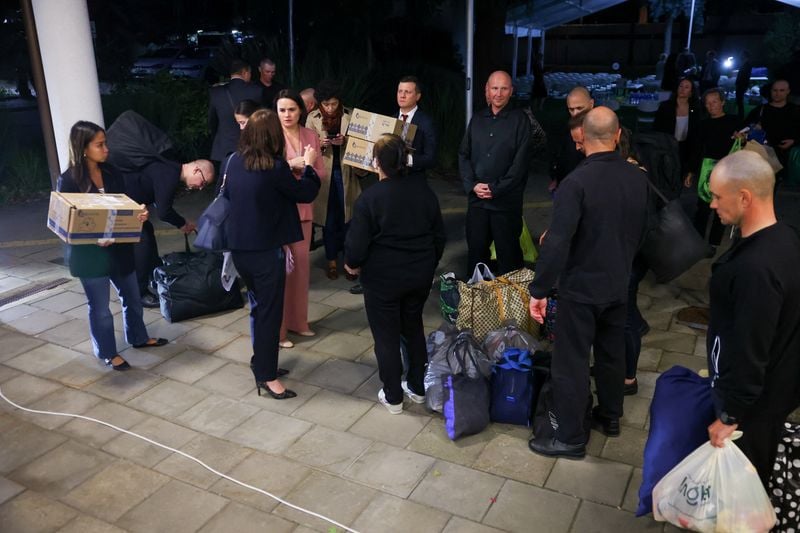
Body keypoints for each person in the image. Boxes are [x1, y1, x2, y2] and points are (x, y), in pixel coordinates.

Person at [527, 107, 649, 459]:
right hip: (618, 283)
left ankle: (569, 437)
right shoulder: (637, 177)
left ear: (583, 138)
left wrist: (539, 290)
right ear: (617, 135)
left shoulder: (576, 183)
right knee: (611, 354)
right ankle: (610, 416)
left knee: (572, 361)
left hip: (581, 288)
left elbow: (557, 243)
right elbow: (644, 231)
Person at [705, 150, 800, 488]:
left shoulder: (755, 270)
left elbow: (751, 348)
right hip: (775, 392)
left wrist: (731, 415)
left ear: (744, 197)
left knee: (739, 490)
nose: (712, 204)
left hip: (755, 407)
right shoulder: (786, 237)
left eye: (718, 196)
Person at [344, 134, 445, 414]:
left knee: (386, 336)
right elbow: (439, 235)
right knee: (413, 328)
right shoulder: (424, 192)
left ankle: (393, 396)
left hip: (383, 279)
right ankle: (417, 388)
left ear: (376, 163)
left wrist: (352, 264)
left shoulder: (370, 198)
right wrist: (429, 263)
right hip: (419, 275)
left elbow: (357, 244)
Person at [223, 109, 320, 399]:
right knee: (269, 313)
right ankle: (267, 377)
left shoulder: (233, 160)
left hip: (240, 249)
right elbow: (305, 193)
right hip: (265, 253)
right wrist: (310, 166)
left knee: (258, 307)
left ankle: (261, 361)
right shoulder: (274, 167)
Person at [57, 121, 167, 371]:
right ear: (83, 148)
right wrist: (93, 237)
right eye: (100, 145)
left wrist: (138, 214)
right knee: (101, 309)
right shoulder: (69, 180)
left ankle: (138, 337)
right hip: (90, 256)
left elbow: (123, 206)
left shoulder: (112, 172)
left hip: (119, 249)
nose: (106, 149)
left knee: (133, 298)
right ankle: (107, 352)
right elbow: (67, 223)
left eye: (105, 143)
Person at [459, 70, 531, 276]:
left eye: (504, 88)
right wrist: (472, 185)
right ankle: (477, 294)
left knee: (509, 255)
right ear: (487, 90)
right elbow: (463, 155)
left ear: (511, 91)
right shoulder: (477, 119)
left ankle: (511, 295)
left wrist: (495, 188)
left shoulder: (520, 121)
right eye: (495, 88)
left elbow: (519, 165)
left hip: (505, 203)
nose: (498, 94)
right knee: (476, 252)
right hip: (478, 201)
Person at [124, 158, 215, 307]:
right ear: (196, 170)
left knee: (148, 233)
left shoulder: (169, 169)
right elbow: (164, 212)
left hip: (131, 203)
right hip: (125, 202)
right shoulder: (170, 174)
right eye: (203, 182)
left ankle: (155, 277)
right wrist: (182, 224)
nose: (200, 187)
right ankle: (139, 294)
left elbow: (159, 200)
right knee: (143, 241)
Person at [276, 90, 326, 348]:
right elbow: (265, 169)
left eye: (292, 109)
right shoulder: (271, 135)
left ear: (301, 111)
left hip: (304, 208)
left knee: (301, 270)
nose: (287, 115)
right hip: (279, 210)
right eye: (282, 110)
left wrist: (305, 166)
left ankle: (299, 322)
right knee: (280, 273)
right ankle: (279, 331)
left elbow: (320, 172)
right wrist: (292, 164)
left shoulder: (310, 135)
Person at [305, 81, 360, 281]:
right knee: (329, 219)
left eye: (334, 104)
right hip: (325, 174)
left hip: (346, 172)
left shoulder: (350, 115)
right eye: (326, 104)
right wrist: (320, 144)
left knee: (348, 219)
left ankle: (350, 262)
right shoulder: (312, 118)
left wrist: (345, 142)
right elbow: (307, 149)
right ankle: (331, 261)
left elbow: (360, 144)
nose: (330, 108)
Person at [685, 88, 741, 253]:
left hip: (728, 169)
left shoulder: (734, 121)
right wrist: (691, 172)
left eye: (714, 102)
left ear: (722, 102)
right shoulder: (703, 125)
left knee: (722, 207)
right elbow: (697, 149)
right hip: (708, 169)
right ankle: (698, 241)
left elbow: (744, 142)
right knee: (703, 206)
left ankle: (714, 243)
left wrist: (742, 138)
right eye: (707, 103)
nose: (711, 106)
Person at [208, 59, 263, 164]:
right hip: (250, 147)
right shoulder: (256, 91)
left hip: (223, 148)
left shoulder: (216, 92)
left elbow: (212, 121)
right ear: (245, 72)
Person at [745, 79, 799, 168]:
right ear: (771, 91)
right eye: (775, 90)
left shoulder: (795, 110)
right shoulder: (760, 110)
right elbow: (745, 127)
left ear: (788, 91)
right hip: (762, 156)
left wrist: (794, 141)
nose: (777, 93)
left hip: (788, 158)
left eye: (781, 90)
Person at [549, 86, 594, 192]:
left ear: (591, 104)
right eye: (571, 109)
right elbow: (557, 155)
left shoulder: (604, 127)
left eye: (579, 108)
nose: (575, 113)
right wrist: (556, 177)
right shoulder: (563, 128)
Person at [654, 78, 700, 178]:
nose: (682, 89)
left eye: (686, 87)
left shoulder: (695, 109)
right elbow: (657, 128)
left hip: (685, 147)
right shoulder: (665, 106)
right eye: (681, 86)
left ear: (691, 93)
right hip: (667, 145)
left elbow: (696, 131)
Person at [396, 76, 438, 174]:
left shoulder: (427, 123)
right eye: (400, 91)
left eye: (407, 92)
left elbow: (431, 158)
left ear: (418, 96)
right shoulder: (390, 120)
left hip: (412, 178)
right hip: (389, 179)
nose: (402, 95)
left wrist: (406, 160)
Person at [735, 51, 752, 121]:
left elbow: (745, 76)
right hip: (741, 84)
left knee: (740, 100)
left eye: (742, 55)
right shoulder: (745, 64)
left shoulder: (747, 65)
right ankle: (740, 115)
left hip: (742, 84)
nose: (741, 56)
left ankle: (741, 116)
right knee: (739, 100)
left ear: (745, 55)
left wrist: (744, 85)